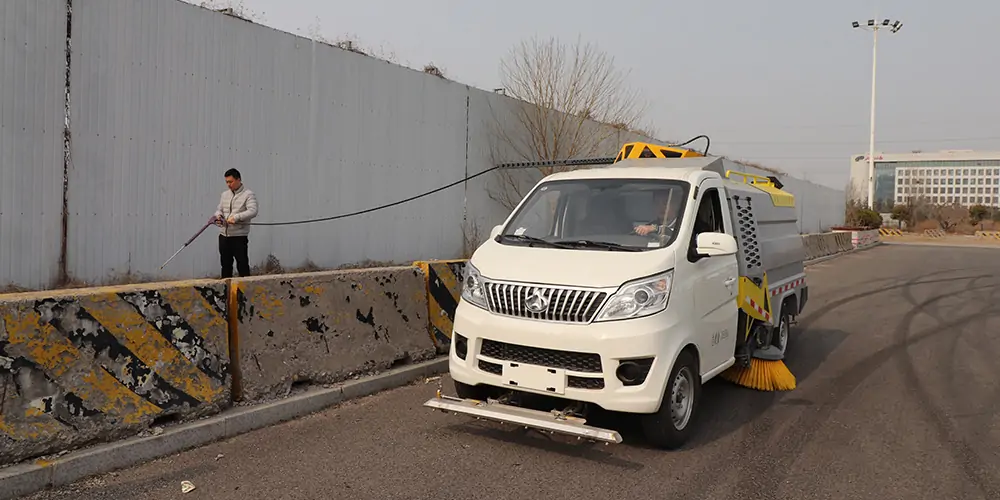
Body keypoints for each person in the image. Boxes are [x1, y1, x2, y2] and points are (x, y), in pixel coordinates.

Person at [212, 168, 258, 278]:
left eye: (231, 182)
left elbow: (253, 211)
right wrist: (218, 215)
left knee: (242, 265)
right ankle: (226, 292)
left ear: (239, 180)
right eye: (226, 182)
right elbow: (220, 209)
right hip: (224, 236)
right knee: (225, 265)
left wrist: (236, 217)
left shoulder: (248, 194)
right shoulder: (224, 195)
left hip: (239, 236)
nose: (228, 184)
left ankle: (245, 291)